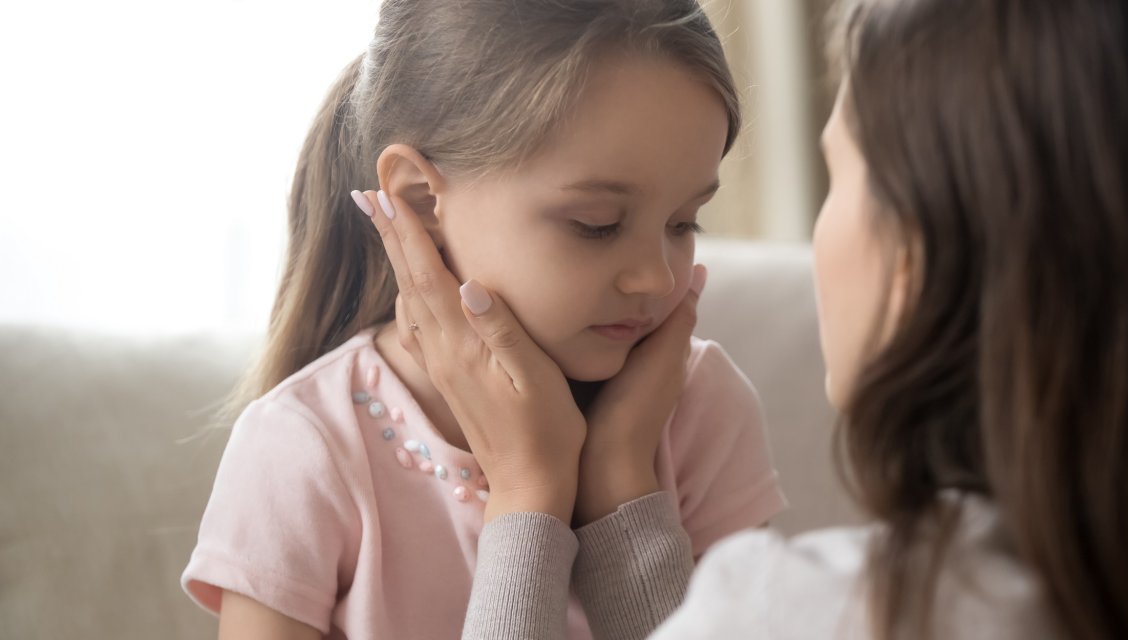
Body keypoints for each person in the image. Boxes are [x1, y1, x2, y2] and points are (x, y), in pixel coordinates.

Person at [370, 0, 1128, 637]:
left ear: (918, 257)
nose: (657, 273)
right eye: (600, 224)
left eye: (841, 176)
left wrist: (539, 492)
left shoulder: (814, 615)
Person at [179, 1, 787, 638]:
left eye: (683, 222)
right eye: (597, 225)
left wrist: (622, 489)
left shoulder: (698, 411)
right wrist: (531, 494)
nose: (658, 278)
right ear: (420, 198)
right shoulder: (305, 448)